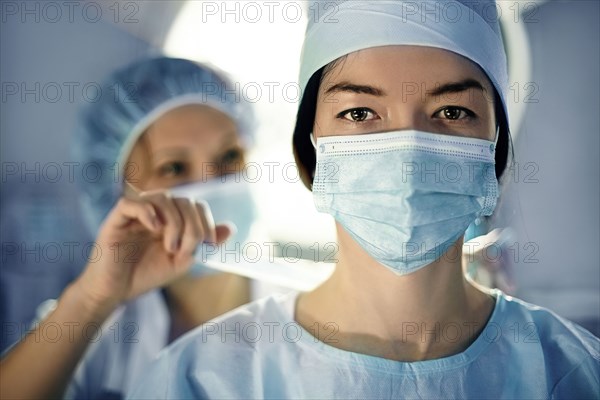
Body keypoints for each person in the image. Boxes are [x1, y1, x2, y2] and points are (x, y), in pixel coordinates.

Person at [128, 1, 600, 399]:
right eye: (360, 112)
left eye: (451, 112)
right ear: (309, 145)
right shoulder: (204, 378)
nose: (409, 151)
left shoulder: (570, 370)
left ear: (495, 144)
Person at [0, 57, 265, 399]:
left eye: (230, 157)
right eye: (173, 167)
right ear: (117, 196)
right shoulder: (99, 331)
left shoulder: (304, 306)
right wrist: (91, 299)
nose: (212, 183)